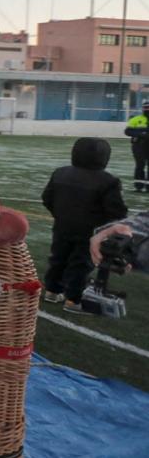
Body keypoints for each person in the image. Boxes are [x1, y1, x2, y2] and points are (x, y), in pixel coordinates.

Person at [41, 137, 128, 312]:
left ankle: (52, 291)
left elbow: (47, 198)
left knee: (58, 258)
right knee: (81, 263)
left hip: (62, 226)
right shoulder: (108, 181)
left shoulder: (60, 172)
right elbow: (117, 211)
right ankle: (73, 300)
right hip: (90, 230)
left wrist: (60, 215)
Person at [125, 102, 149, 193]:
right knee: (140, 165)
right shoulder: (136, 119)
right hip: (139, 146)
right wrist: (141, 134)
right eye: (146, 108)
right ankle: (138, 186)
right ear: (143, 109)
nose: (147, 109)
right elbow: (127, 131)